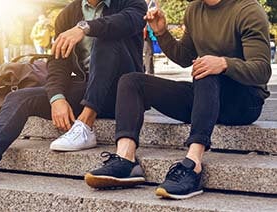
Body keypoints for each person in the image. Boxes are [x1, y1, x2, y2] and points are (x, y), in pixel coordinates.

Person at [0, 0, 147, 182]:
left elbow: (126, 22)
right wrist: (57, 98)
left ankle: (86, 125)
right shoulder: (68, 14)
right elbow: (58, 64)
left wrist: (84, 28)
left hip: (124, 94)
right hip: (89, 89)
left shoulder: (131, 3)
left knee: (105, 39)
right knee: (19, 97)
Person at [85, 0, 271, 200]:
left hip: (244, 102)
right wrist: (162, 33)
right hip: (206, 96)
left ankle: (193, 165)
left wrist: (224, 63)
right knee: (131, 82)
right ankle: (125, 159)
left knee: (205, 69)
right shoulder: (194, 10)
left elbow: (261, 70)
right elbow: (185, 57)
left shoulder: (248, 10)